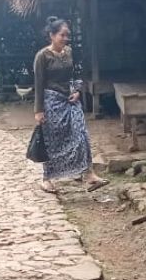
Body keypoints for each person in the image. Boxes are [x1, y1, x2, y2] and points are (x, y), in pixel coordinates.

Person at [34, 17, 108, 194]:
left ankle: (89, 174)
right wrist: (38, 110)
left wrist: (77, 91)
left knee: (81, 133)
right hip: (51, 101)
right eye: (62, 35)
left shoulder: (69, 52)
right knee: (52, 140)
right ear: (52, 36)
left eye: (68, 35)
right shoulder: (42, 56)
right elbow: (39, 83)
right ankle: (47, 178)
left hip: (70, 99)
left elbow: (75, 74)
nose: (66, 38)